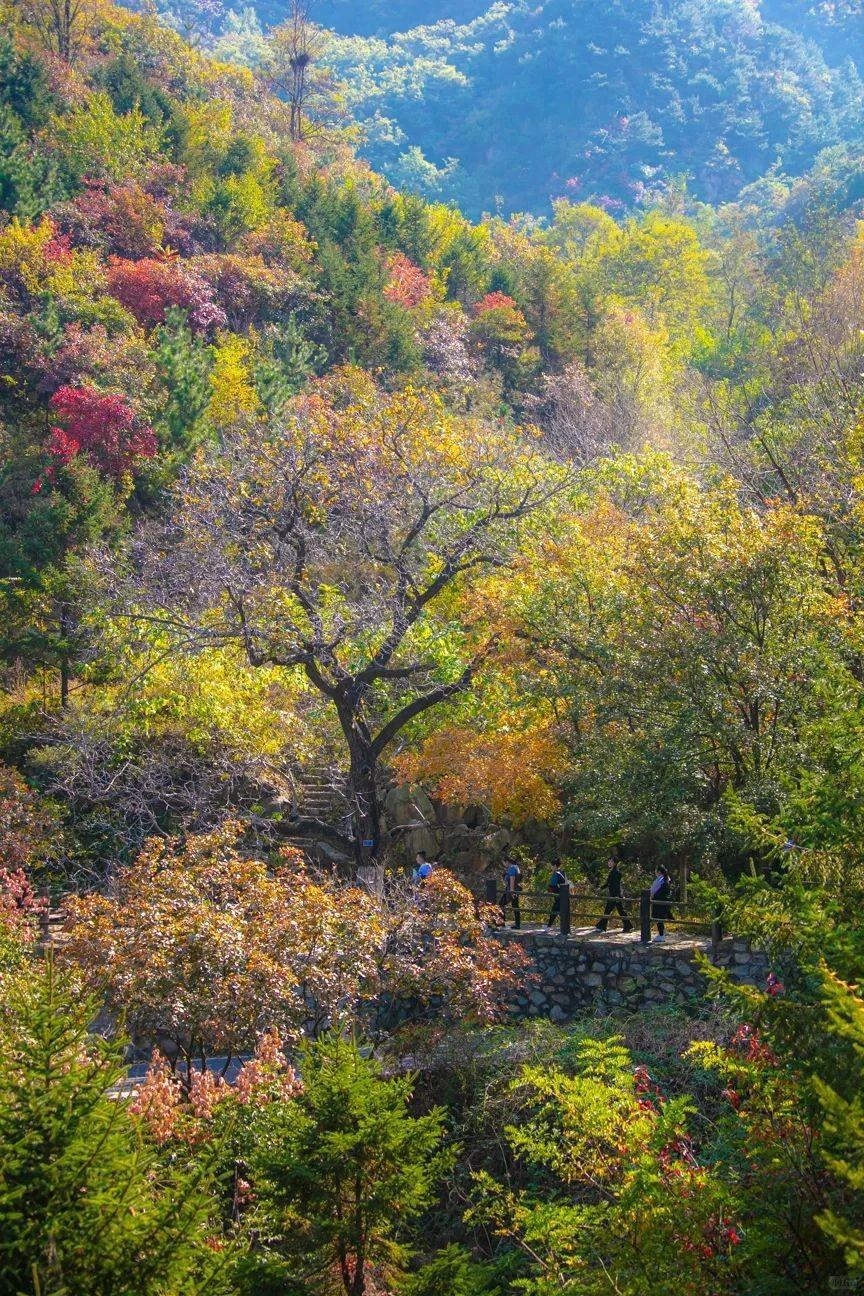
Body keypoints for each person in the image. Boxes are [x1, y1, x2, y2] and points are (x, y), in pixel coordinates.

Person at [594, 856, 633, 933]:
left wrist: (617, 896)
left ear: (615, 863)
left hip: (615, 895)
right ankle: (628, 926)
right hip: (613, 895)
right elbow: (608, 883)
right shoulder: (612, 872)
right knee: (620, 911)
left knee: (609, 911)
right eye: (609, 861)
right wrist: (600, 888)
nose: (609, 862)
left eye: (611, 861)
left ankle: (601, 926)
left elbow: (616, 886)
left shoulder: (616, 873)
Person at [650, 865, 673, 942]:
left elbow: (661, 891)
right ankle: (661, 933)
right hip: (658, 901)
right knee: (657, 917)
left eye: (656, 870)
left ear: (659, 871)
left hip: (660, 902)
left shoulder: (664, 880)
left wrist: (654, 895)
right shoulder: (662, 879)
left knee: (658, 917)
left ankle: (661, 935)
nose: (655, 872)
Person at [500, 856, 522, 926]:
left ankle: (501, 923)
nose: (504, 864)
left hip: (511, 889)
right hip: (515, 888)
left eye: (503, 863)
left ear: (507, 862)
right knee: (515, 906)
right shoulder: (515, 867)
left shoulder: (512, 868)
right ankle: (517, 924)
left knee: (501, 904)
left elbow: (512, 878)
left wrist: (511, 890)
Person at [545, 859, 568, 929]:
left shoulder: (556, 874)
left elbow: (551, 885)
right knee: (560, 912)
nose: (551, 867)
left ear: (555, 866)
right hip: (565, 895)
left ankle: (549, 926)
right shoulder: (562, 872)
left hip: (558, 895)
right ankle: (550, 926)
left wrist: (548, 890)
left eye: (551, 866)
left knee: (554, 911)